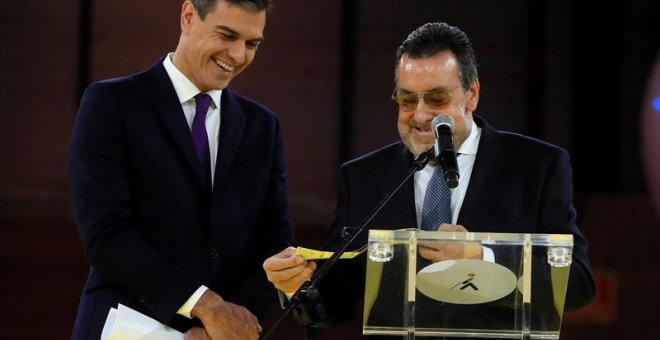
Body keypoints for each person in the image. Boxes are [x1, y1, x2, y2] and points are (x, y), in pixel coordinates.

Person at [263, 22, 595, 337]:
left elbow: (578, 285)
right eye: (408, 100)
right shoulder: (364, 177)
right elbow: (335, 302)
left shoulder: (536, 167)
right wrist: (297, 285)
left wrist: (483, 257)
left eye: (436, 99)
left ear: (472, 94)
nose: (420, 115)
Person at [67, 1, 294, 339]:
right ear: (189, 16)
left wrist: (225, 325)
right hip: (126, 326)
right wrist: (206, 306)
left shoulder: (263, 126)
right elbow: (106, 235)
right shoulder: (111, 103)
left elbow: (275, 246)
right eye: (227, 35)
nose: (238, 55)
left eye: (252, 44)